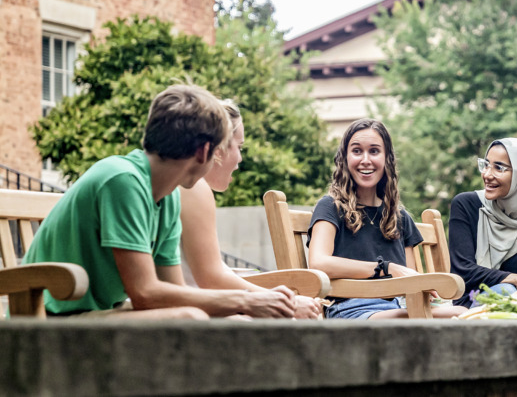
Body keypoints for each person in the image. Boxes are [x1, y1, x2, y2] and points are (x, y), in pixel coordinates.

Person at [23, 84, 297, 319]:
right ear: (203, 152)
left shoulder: (167, 198)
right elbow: (145, 294)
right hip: (47, 319)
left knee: (213, 322)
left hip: (93, 315)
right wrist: (246, 302)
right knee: (190, 320)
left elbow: (173, 292)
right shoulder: (122, 181)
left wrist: (245, 310)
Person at [307, 118, 466, 319]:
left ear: (386, 158)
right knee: (412, 319)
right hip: (351, 309)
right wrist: (386, 268)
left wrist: (428, 290)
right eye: (357, 151)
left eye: (374, 151)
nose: (365, 159)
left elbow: (409, 282)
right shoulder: (330, 207)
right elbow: (318, 263)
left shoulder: (399, 217)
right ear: (345, 159)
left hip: (399, 307)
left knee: (465, 314)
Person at [179, 99, 322, 319]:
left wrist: (277, 299)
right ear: (218, 149)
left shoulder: (190, 186)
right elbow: (211, 278)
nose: (240, 159)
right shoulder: (194, 187)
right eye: (239, 147)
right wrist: (286, 304)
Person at [448, 138, 517, 308]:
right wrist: (515, 278)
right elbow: (462, 271)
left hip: (515, 312)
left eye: (499, 167)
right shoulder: (466, 205)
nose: (487, 174)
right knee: (506, 290)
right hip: (467, 305)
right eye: (486, 164)